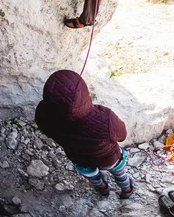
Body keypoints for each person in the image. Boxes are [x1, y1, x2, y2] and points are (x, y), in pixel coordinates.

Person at [35, 69, 133, 198]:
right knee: (120, 173)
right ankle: (126, 190)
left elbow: (47, 132)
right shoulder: (105, 118)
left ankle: (103, 188)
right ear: (84, 92)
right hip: (108, 158)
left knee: (92, 176)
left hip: (79, 158)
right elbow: (122, 136)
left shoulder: (42, 114)